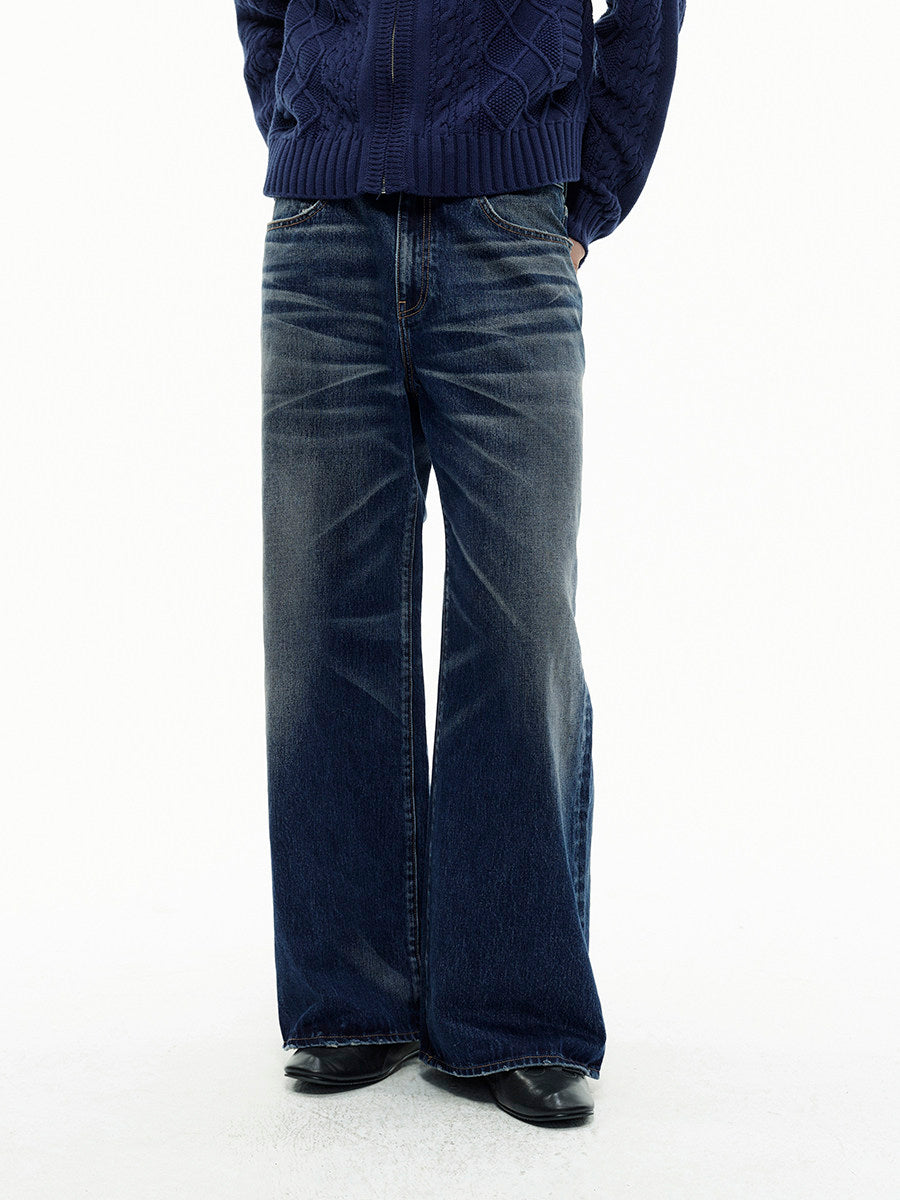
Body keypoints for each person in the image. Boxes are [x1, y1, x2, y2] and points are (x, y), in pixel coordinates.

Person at [234, 0, 685, 1126]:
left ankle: (515, 1013)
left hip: (511, 221)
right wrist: (307, 122)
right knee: (318, 627)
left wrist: (589, 192)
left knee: (518, 625)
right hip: (322, 233)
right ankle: (352, 999)